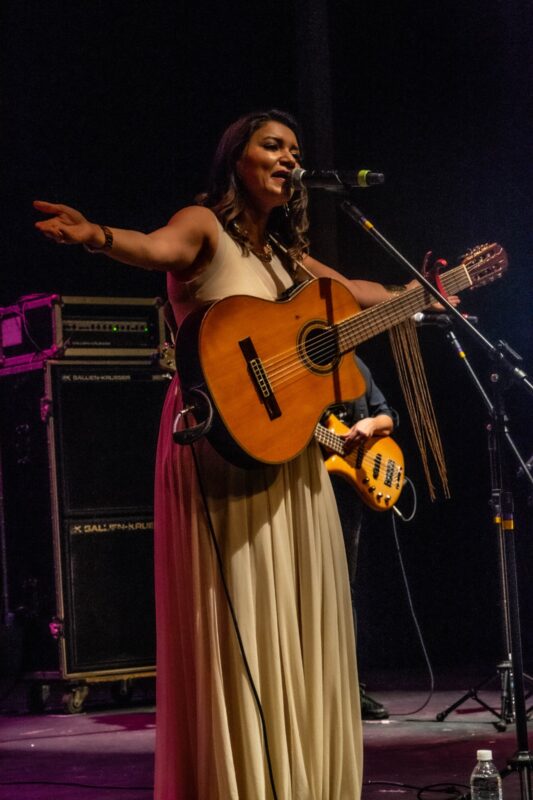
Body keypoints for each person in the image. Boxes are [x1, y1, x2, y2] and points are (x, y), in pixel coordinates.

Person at [33, 109, 456, 800]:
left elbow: (361, 298)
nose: (288, 158)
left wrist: (435, 294)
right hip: (218, 450)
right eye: (272, 146)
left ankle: (302, 781)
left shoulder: (285, 258)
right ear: (238, 160)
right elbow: (153, 247)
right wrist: (95, 236)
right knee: (242, 623)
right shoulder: (201, 224)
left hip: (289, 454)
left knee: (301, 618)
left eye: (294, 149)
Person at [325, 354, 399, 721]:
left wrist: (370, 422)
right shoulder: (303, 366)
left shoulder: (357, 365)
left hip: (345, 494)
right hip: (307, 485)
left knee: (345, 588)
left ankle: (351, 690)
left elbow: (389, 416)